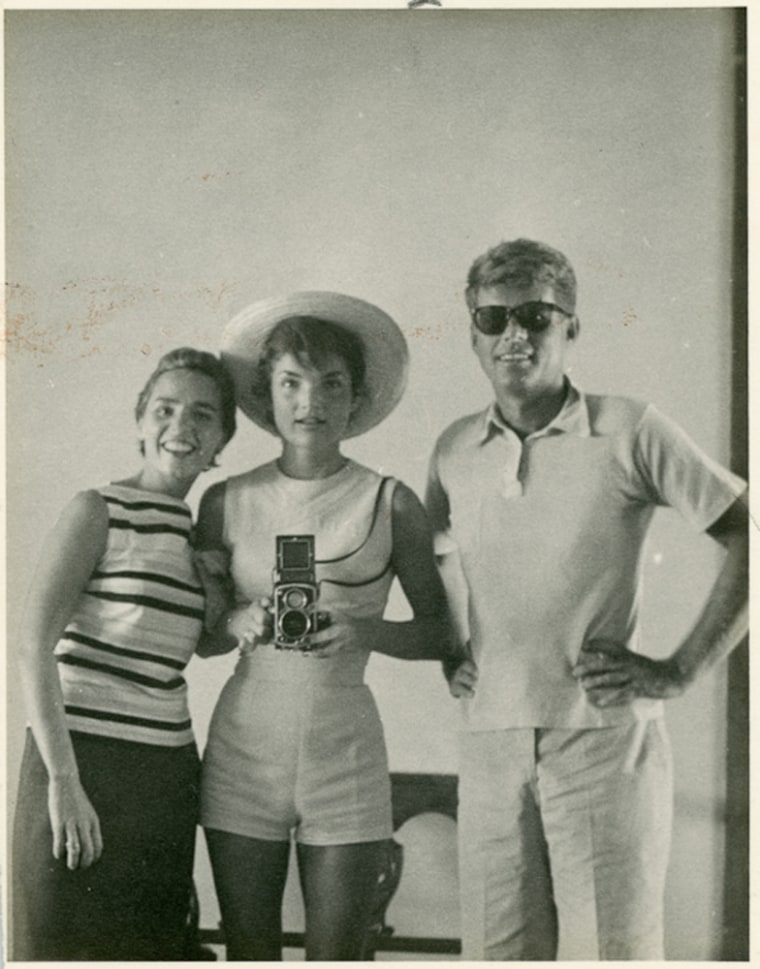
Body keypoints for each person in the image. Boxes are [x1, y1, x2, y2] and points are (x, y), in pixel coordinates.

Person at [425, 238, 749, 961]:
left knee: (615, 954)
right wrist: (452, 647)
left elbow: (749, 531)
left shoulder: (630, 429)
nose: (514, 335)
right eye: (493, 318)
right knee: (497, 955)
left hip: (601, 740)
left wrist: (682, 668)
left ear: (572, 327)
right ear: (472, 331)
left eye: (537, 316)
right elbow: (432, 555)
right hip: (491, 740)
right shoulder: (453, 448)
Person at [196, 291, 458, 961]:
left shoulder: (390, 500)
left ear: (355, 397)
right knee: (250, 950)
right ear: (267, 393)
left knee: (340, 955)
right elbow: (206, 638)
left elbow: (440, 633)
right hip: (244, 748)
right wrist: (236, 616)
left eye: (330, 384)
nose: (310, 401)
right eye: (291, 382)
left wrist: (367, 631)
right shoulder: (226, 499)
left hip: (345, 749)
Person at [11, 347, 237, 961]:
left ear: (222, 439)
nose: (181, 428)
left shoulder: (202, 534)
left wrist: (231, 605)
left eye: (203, 415)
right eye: (165, 409)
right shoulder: (97, 509)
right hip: (78, 760)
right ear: (140, 421)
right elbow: (30, 644)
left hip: (164, 774)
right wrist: (63, 781)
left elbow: (196, 646)